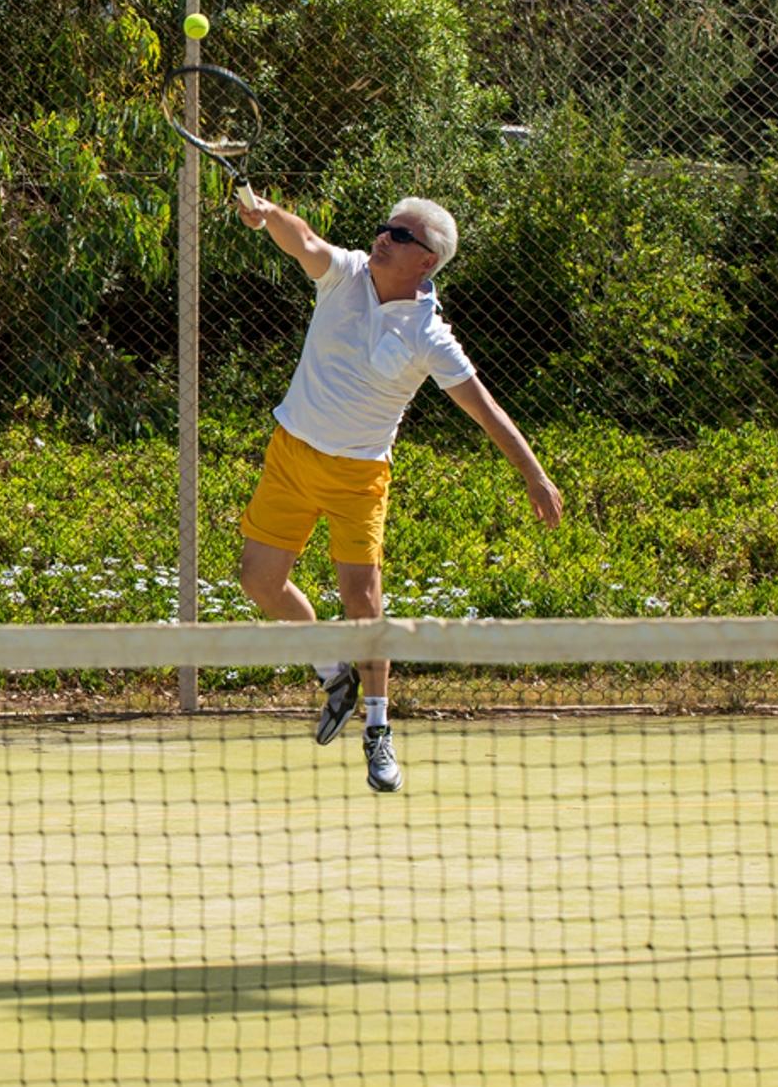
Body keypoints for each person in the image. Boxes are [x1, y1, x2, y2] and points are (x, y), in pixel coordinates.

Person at [233, 188, 563, 793]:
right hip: (292, 453)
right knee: (259, 580)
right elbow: (303, 238)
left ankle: (378, 730)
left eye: (401, 235)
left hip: (359, 475)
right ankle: (334, 672)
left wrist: (533, 473)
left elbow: (485, 411)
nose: (385, 236)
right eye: (387, 227)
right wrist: (267, 215)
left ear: (426, 261)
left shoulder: (429, 337)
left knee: (363, 601)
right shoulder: (347, 273)